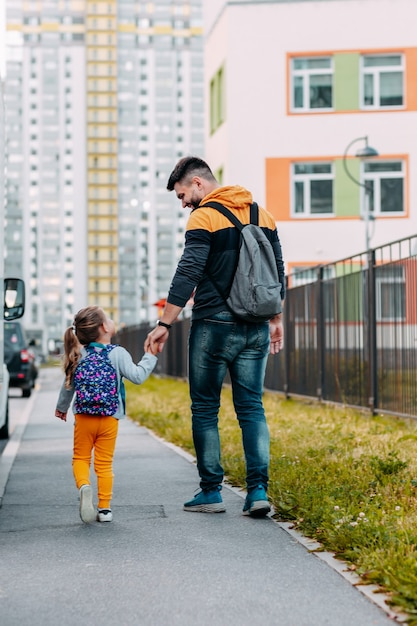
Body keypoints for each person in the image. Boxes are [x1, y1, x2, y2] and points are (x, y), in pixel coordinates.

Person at [145, 156, 285, 517]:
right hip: (256, 325)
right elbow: (277, 269)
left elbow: (188, 270)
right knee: (252, 408)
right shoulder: (262, 214)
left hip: (214, 326)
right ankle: (258, 493)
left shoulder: (204, 215)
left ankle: (211, 492)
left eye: (181, 195)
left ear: (197, 184)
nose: (183, 203)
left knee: (205, 409)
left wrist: (165, 324)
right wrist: (276, 316)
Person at [55, 306, 157, 524]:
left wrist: (62, 407)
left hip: (84, 417)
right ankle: (104, 509)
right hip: (110, 417)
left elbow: (68, 386)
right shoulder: (118, 353)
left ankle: (84, 486)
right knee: (104, 464)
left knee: (81, 458)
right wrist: (150, 356)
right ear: (104, 327)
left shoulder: (78, 354)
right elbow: (137, 376)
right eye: (109, 318)